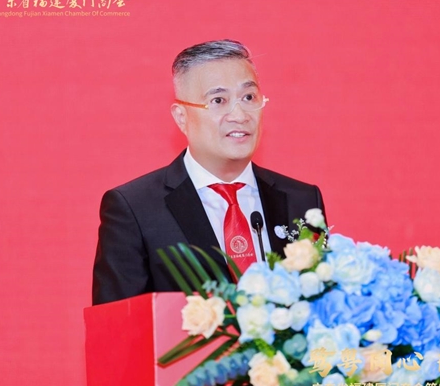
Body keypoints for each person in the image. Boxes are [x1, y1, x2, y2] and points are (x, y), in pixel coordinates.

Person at [92, 40, 326, 305]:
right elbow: (116, 323)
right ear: (181, 117)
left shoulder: (303, 200)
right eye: (218, 100)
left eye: (249, 97)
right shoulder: (135, 209)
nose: (239, 115)